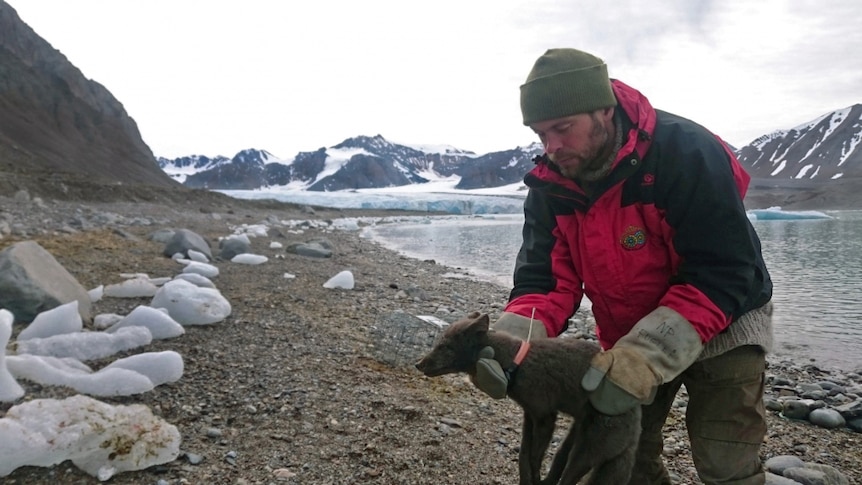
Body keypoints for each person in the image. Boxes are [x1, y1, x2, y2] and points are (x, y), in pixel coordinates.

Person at [474, 48, 774, 485]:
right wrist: (511, 345)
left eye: (562, 128)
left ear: (603, 110)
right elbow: (544, 279)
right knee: (625, 454)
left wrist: (646, 356)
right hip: (629, 331)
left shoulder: (687, 153)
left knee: (726, 461)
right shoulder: (551, 183)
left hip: (728, 321)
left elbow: (722, 271)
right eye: (541, 134)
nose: (552, 147)